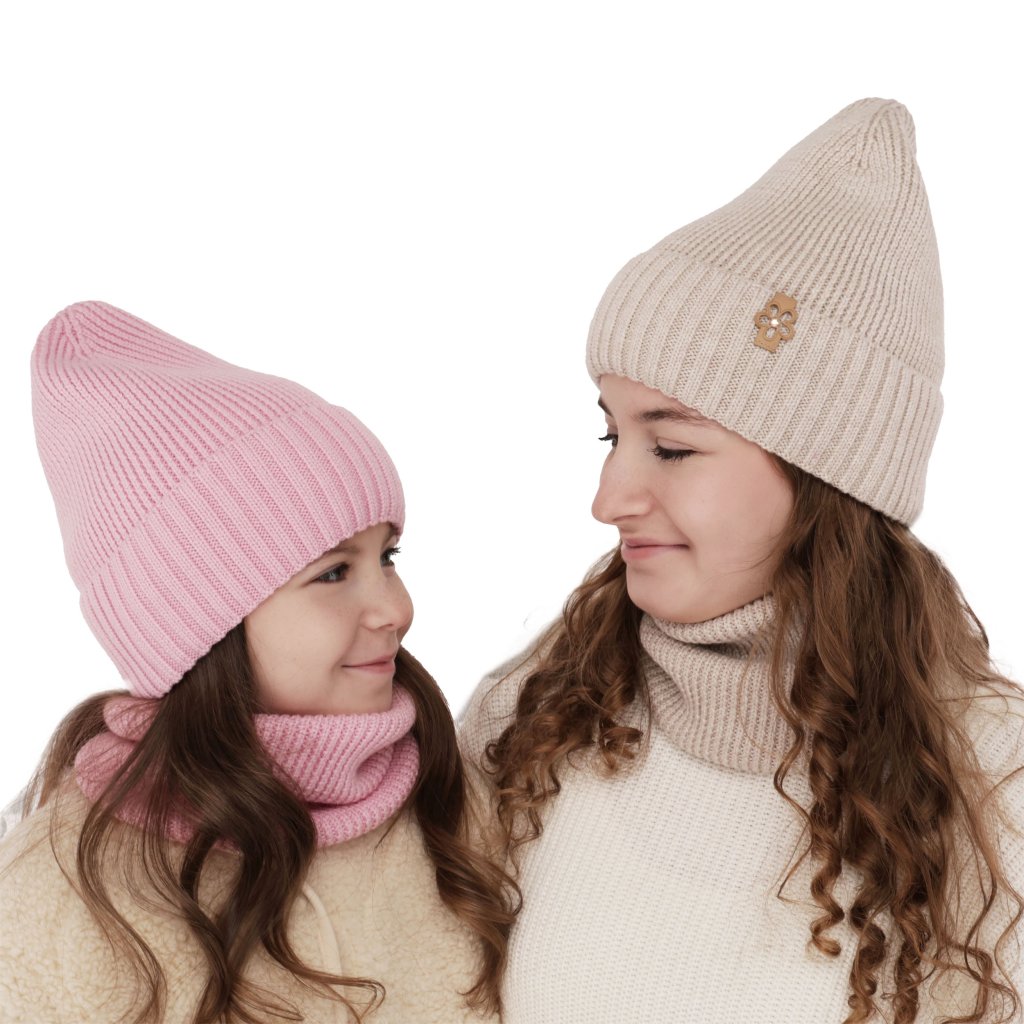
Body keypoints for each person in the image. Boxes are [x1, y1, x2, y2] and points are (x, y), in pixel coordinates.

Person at [460, 99, 1024, 1023]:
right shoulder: (530, 724)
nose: (609, 498)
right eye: (609, 436)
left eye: (672, 447)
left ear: (827, 473)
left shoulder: (997, 784)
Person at [0, 301, 515, 1024]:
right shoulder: (63, 900)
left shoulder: (461, 812)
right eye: (333, 572)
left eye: (388, 557)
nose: (395, 608)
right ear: (197, 622)